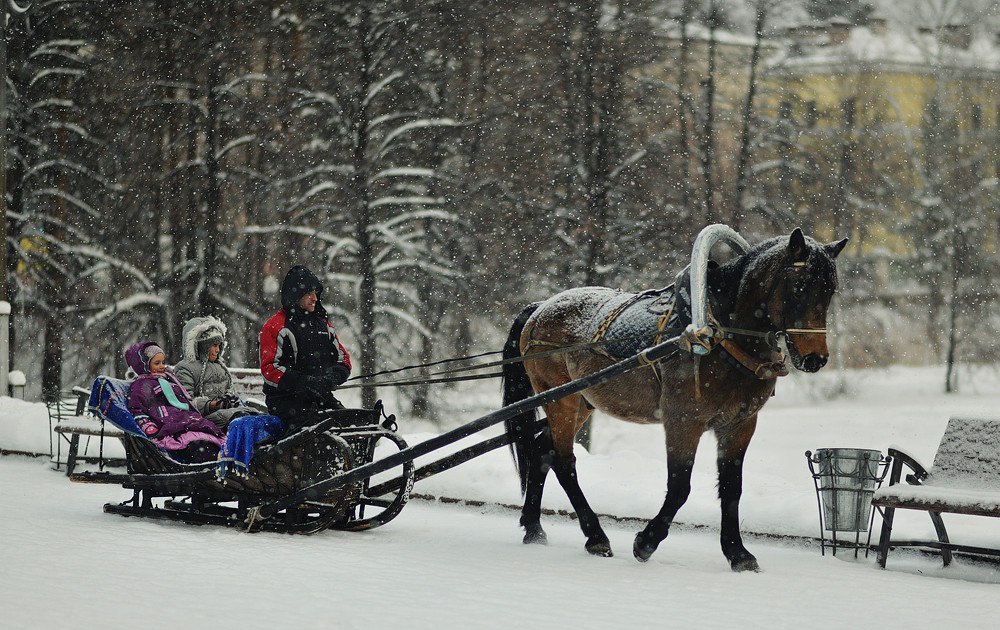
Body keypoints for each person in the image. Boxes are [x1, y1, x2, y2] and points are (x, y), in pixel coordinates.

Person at [259, 265, 352, 431]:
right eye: (309, 293)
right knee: (313, 433)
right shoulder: (276, 326)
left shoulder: (323, 324)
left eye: (316, 293)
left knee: (349, 423)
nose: (315, 298)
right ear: (295, 294)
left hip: (320, 398)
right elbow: (270, 369)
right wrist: (305, 382)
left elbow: (343, 359)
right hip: (286, 402)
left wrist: (331, 378)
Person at [124, 340, 225, 463]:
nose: (162, 366)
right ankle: (206, 463)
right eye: (157, 363)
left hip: (184, 420)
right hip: (167, 423)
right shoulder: (142, 385)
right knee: (198, 445)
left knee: (207, 435)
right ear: (144, 365)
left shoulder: (169, 380)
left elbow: (183, 400)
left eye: (163, 362)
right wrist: (147, 425)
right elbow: (137, 409)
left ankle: (216, 461)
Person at [173, 316, 257, 431]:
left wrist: (229, 398)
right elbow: (185, 403)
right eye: (214, 345)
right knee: (243, 421)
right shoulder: (185, 368)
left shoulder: (220, 366)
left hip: (228, 412)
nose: (218, 350)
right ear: (202, 346)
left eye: (219, 346)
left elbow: (231, 391)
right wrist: (211, 404)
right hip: (205, 419)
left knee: (257, 417)